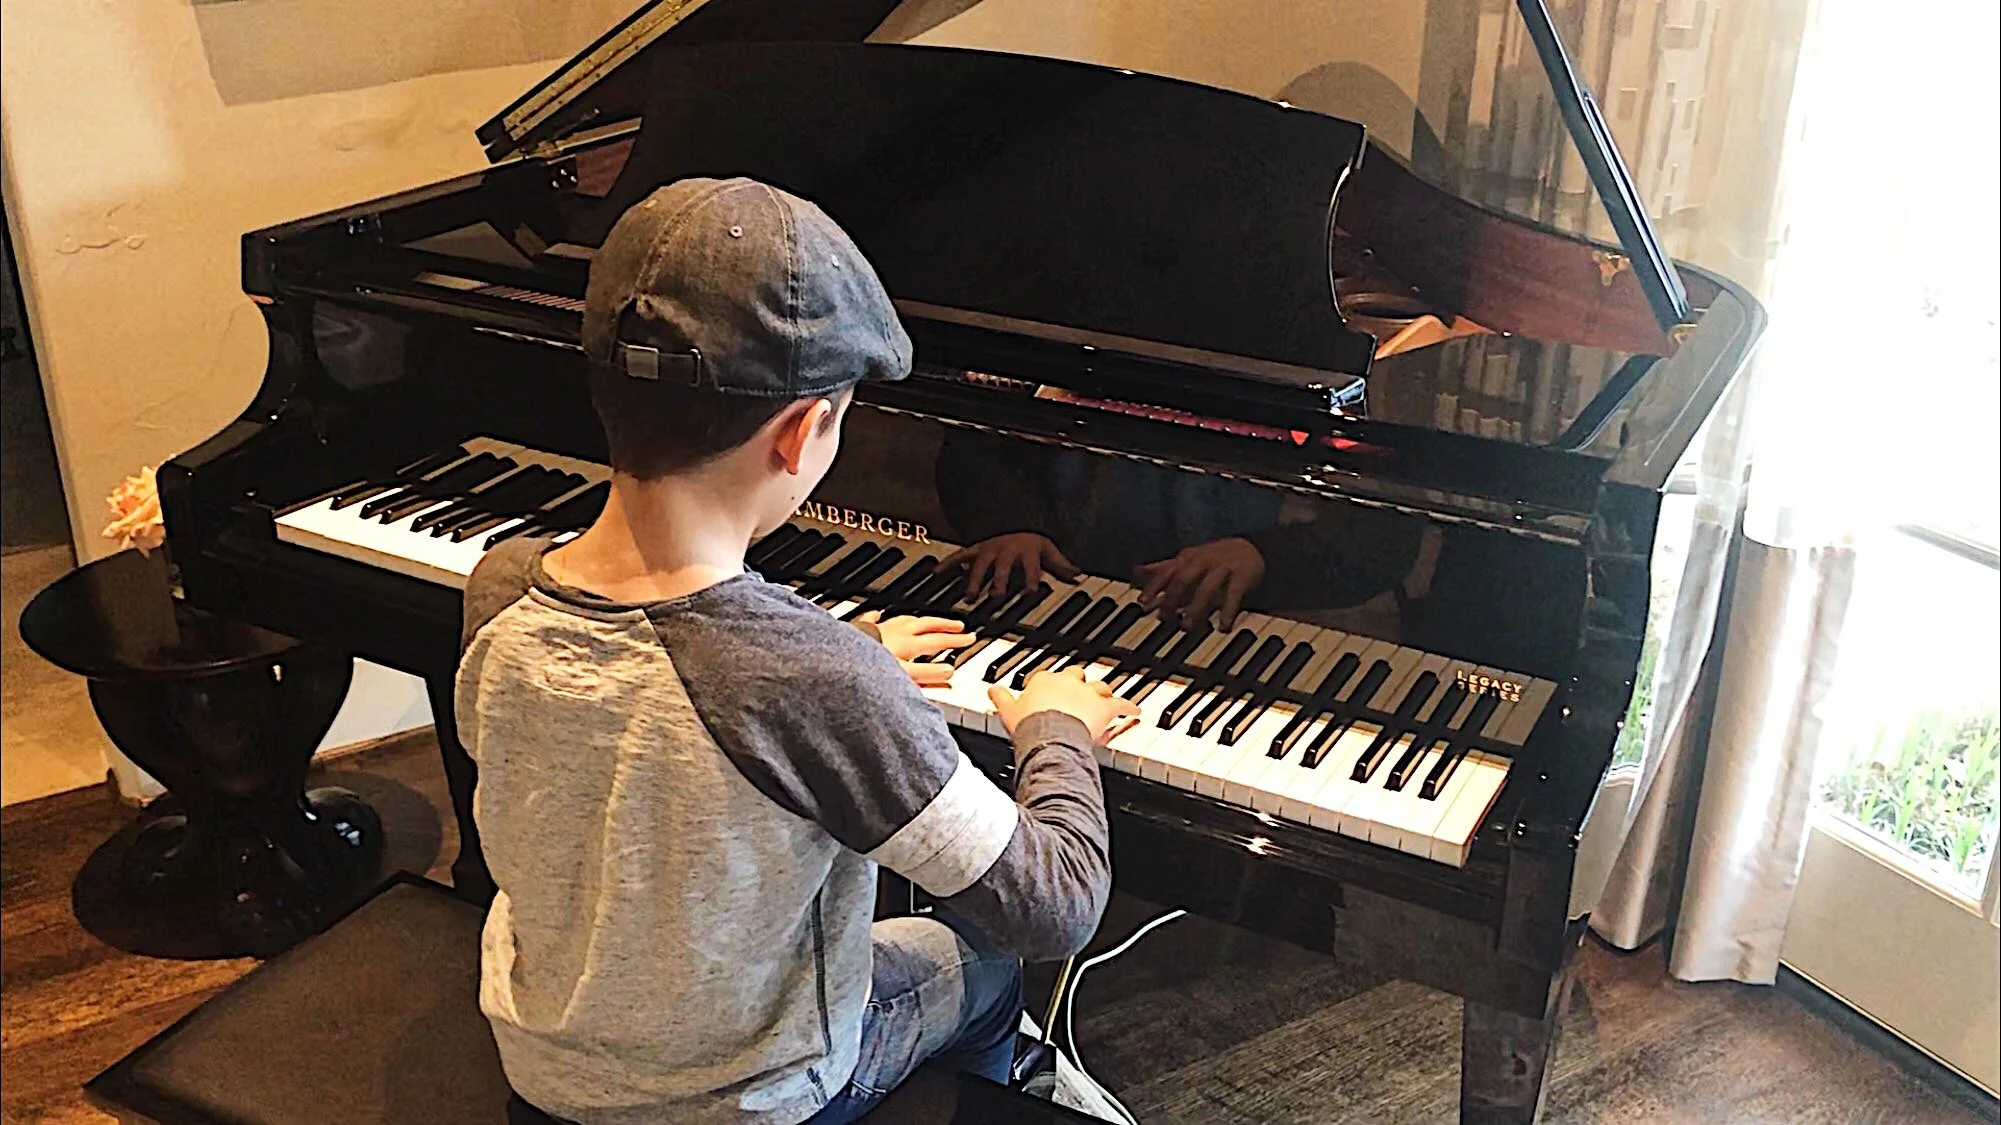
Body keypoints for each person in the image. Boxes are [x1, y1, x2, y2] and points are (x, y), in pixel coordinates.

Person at [455, 177, 1137, 1125]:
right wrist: (1057, 728)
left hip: (546, 1068)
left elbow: (663, 704)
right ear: (802, 431)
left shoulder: (502, 587)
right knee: (982, 962)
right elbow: (1054, 905)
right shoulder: (808, 677)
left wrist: (834, 664)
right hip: (749, 1100)